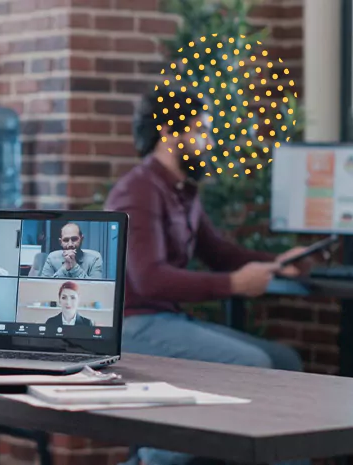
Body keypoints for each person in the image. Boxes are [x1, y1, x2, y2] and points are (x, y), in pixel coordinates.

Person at [105, 86, 310, 465]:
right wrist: (234, 285)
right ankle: (153, 458)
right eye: (201, 131)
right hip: (134, 326)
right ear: (170, 134)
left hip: (166, 319)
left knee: (285, 364)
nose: (209, 141)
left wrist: (279, 261)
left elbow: (218, 252)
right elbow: (149, 279)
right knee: (255, 368)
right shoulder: (137, 192)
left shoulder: (182, 190)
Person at [39, 222, 103, 279]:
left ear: (82, 239)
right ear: (60, 242)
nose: (70, 244)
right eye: (66, 240)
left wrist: (74, 267)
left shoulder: (95, 258)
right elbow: (45, 286)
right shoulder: (52, 258)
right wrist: (65, 268)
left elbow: (95, 287)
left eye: (74, 239)